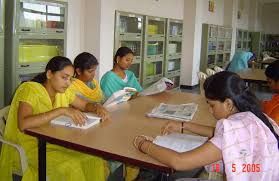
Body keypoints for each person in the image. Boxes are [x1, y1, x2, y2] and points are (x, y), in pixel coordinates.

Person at [134, 71, 279, 180]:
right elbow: (219, 133)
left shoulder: (234, 128)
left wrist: (144, 144)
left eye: (212, 105)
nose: (210, 110)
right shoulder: (252, 116)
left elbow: (179, 162)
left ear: (228, 104)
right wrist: (184, 126)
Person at [0, 56, 110, 181]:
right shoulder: (30, 89)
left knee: (94, 158)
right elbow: (23, 124)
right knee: (71, 166)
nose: (68, 83)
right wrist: (61, 110)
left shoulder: (64, 91)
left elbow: (84, 105)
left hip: (54, 141)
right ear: (49, 74)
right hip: (29, 148)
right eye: (64, 77)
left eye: (70, 78)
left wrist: (96, 106)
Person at [262, 60, 279, 125]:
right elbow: (268, 105)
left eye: (270, 82)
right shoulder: (277, 97)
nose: (268, 85)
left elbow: (272, 128)